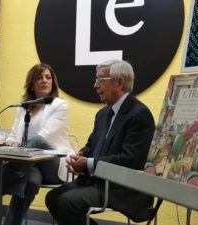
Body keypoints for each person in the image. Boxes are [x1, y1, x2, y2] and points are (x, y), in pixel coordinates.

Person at [45, 60, 156, 225]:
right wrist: (80, 156)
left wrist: (88, 163)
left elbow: (131, 159)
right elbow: (91, 146)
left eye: (100, 79)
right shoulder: (103, 114)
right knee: (53, 197)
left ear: (119, 83)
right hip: (96, 182)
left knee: (68, 202)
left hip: (122, 188)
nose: (95, 85)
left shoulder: (139, 115)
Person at [2, 63, 75, 225]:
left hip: (53, 163)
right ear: (31, 84)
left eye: (48, 77)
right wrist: (11, 142)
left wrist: (18, 147)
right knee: (30, 182)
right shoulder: (23, 108)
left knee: (36, 140)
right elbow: (13, 136)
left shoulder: (60, 105)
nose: (44, 81)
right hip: (28, 164)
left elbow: (44, 137)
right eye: (39, 78)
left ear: (53, 82)